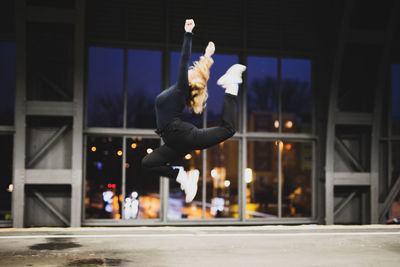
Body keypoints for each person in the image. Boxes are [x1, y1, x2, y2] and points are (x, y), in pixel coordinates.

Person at [141, 19, 246, 203]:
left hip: (180, 135)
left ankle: (231, 86)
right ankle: (182, 176)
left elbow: (184, 61)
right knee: (148, 163)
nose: (189, 71)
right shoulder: (180, 91)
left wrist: (188, 34)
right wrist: (207, 56)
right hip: (174, 141)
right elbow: (196, 69)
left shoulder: (181, 89)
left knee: (228, 129)